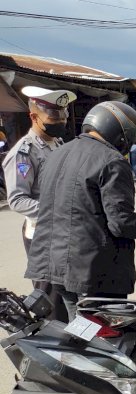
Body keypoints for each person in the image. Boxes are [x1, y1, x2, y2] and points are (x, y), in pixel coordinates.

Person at [25, 101, 136, 321]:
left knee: (79, 333)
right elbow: (121, 224)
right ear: (121, 134)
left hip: (55, 266)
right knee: (103, 340)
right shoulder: (112, 162)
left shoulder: (57, 154)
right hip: (95, 273)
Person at [2, 86, 77, 322]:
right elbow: (17, 200)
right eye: (54, 117)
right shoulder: (24, 153)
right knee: (53, 303)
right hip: (43, 235)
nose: (61, 121)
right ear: (34, 117)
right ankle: (56, 355)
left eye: (63, 116)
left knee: (71, 296)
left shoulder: (58, 144)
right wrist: (57, 211)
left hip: (65, 231)